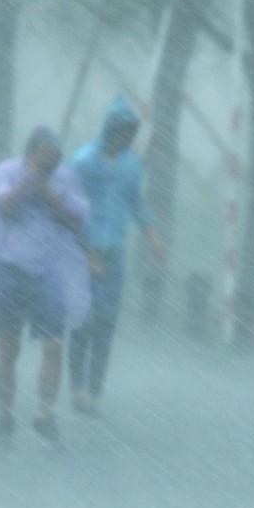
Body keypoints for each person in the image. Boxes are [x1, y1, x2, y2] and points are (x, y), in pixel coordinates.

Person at [0, 127, 90, 446]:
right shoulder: (4, 172)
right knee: (8, 347)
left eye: (56, 162)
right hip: (9, 267)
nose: (52, 168)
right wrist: (29, 181)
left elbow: (77, 218)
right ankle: (5, 413)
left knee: (54, 344)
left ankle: (45, 412)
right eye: (46, 162)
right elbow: (3, 207)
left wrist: (49, 193)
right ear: (30, 154)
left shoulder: (64, 179)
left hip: (49, 270)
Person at [67, 97, 163, 414]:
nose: (126, 139)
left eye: (130, 134)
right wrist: (86, 252)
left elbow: (137, 203)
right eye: (122, 133)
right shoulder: (83, 162)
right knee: (82, 320)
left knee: (106, 322)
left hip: (115, 251)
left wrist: (153, 238)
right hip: (85, 250)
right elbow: (71, 211)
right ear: (109, 130)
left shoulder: (131, 165)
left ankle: (95, 390)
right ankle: (77, 387)